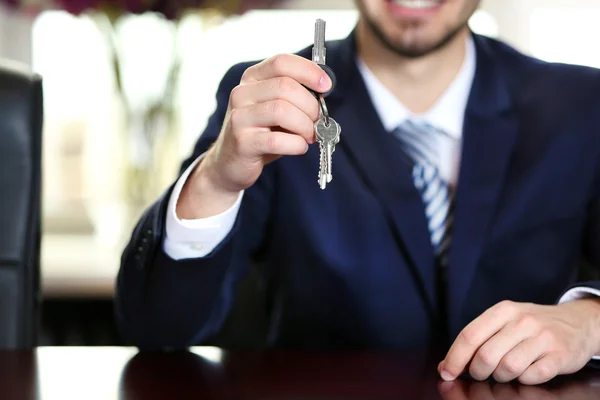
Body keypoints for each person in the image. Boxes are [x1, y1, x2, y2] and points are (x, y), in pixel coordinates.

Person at [115, 0, 600, 385]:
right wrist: (217, 178)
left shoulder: (578, 105)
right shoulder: (267, 102)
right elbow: (157, 330)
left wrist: (589, 322)